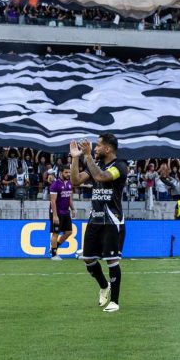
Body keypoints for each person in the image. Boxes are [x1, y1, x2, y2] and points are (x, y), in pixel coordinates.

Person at [70, 133, 126, 313]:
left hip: (112, 220)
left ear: (108, 149)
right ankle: (104, 286)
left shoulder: (120, 166)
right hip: (95, 219)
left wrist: (87, 156)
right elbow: (75, 181)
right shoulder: (97, 164)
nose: (95, 148)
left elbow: (102, 177)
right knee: (88, 258)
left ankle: (115, 302)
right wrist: (75, 158)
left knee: (112, 260)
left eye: (99, 145)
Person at [48, 167, 75, 260]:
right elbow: (53, 201)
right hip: (57, 213)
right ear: (61, 173)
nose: (68, 174)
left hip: (66, 212)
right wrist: (55, 215)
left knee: (69, 232)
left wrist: (73, 209)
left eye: (69, 172)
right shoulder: (55, 185)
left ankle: (55, 247)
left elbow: (69, 198)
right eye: (66, 172)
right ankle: (54, 255)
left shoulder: (70, 183)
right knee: (55, 233)